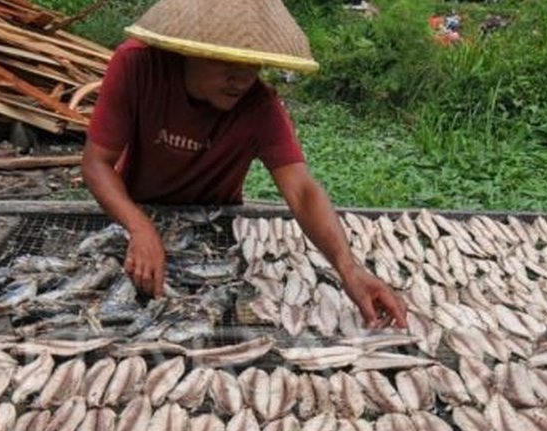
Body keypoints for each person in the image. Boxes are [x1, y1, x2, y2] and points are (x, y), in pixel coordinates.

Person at [81, 0, 408, 330]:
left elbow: (302, 190)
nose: (241, 78)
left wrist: (348, 268)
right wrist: (139, 227)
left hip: (216, 225)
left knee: (212, 324)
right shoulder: (137, 65)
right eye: (226, 61)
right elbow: (97, 164)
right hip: (136, 212)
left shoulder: (259, 106)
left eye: (252, 64)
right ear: (188, 48)